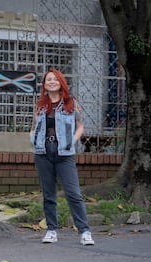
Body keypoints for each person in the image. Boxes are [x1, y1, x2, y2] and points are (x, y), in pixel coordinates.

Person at [30, 68, 95, 246]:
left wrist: (72, 141)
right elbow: (34, 125)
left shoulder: (71, 103)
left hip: (64, 153)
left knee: (73, 193)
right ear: (44, 84)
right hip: (43, 152)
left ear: (61, 83)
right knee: (48, 194)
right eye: (48, 80)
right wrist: (32, 139)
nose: (51, 82)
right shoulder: (41, 104)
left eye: (55, 79)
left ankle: (84, 231)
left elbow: (80, 125)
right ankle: (51, 230)